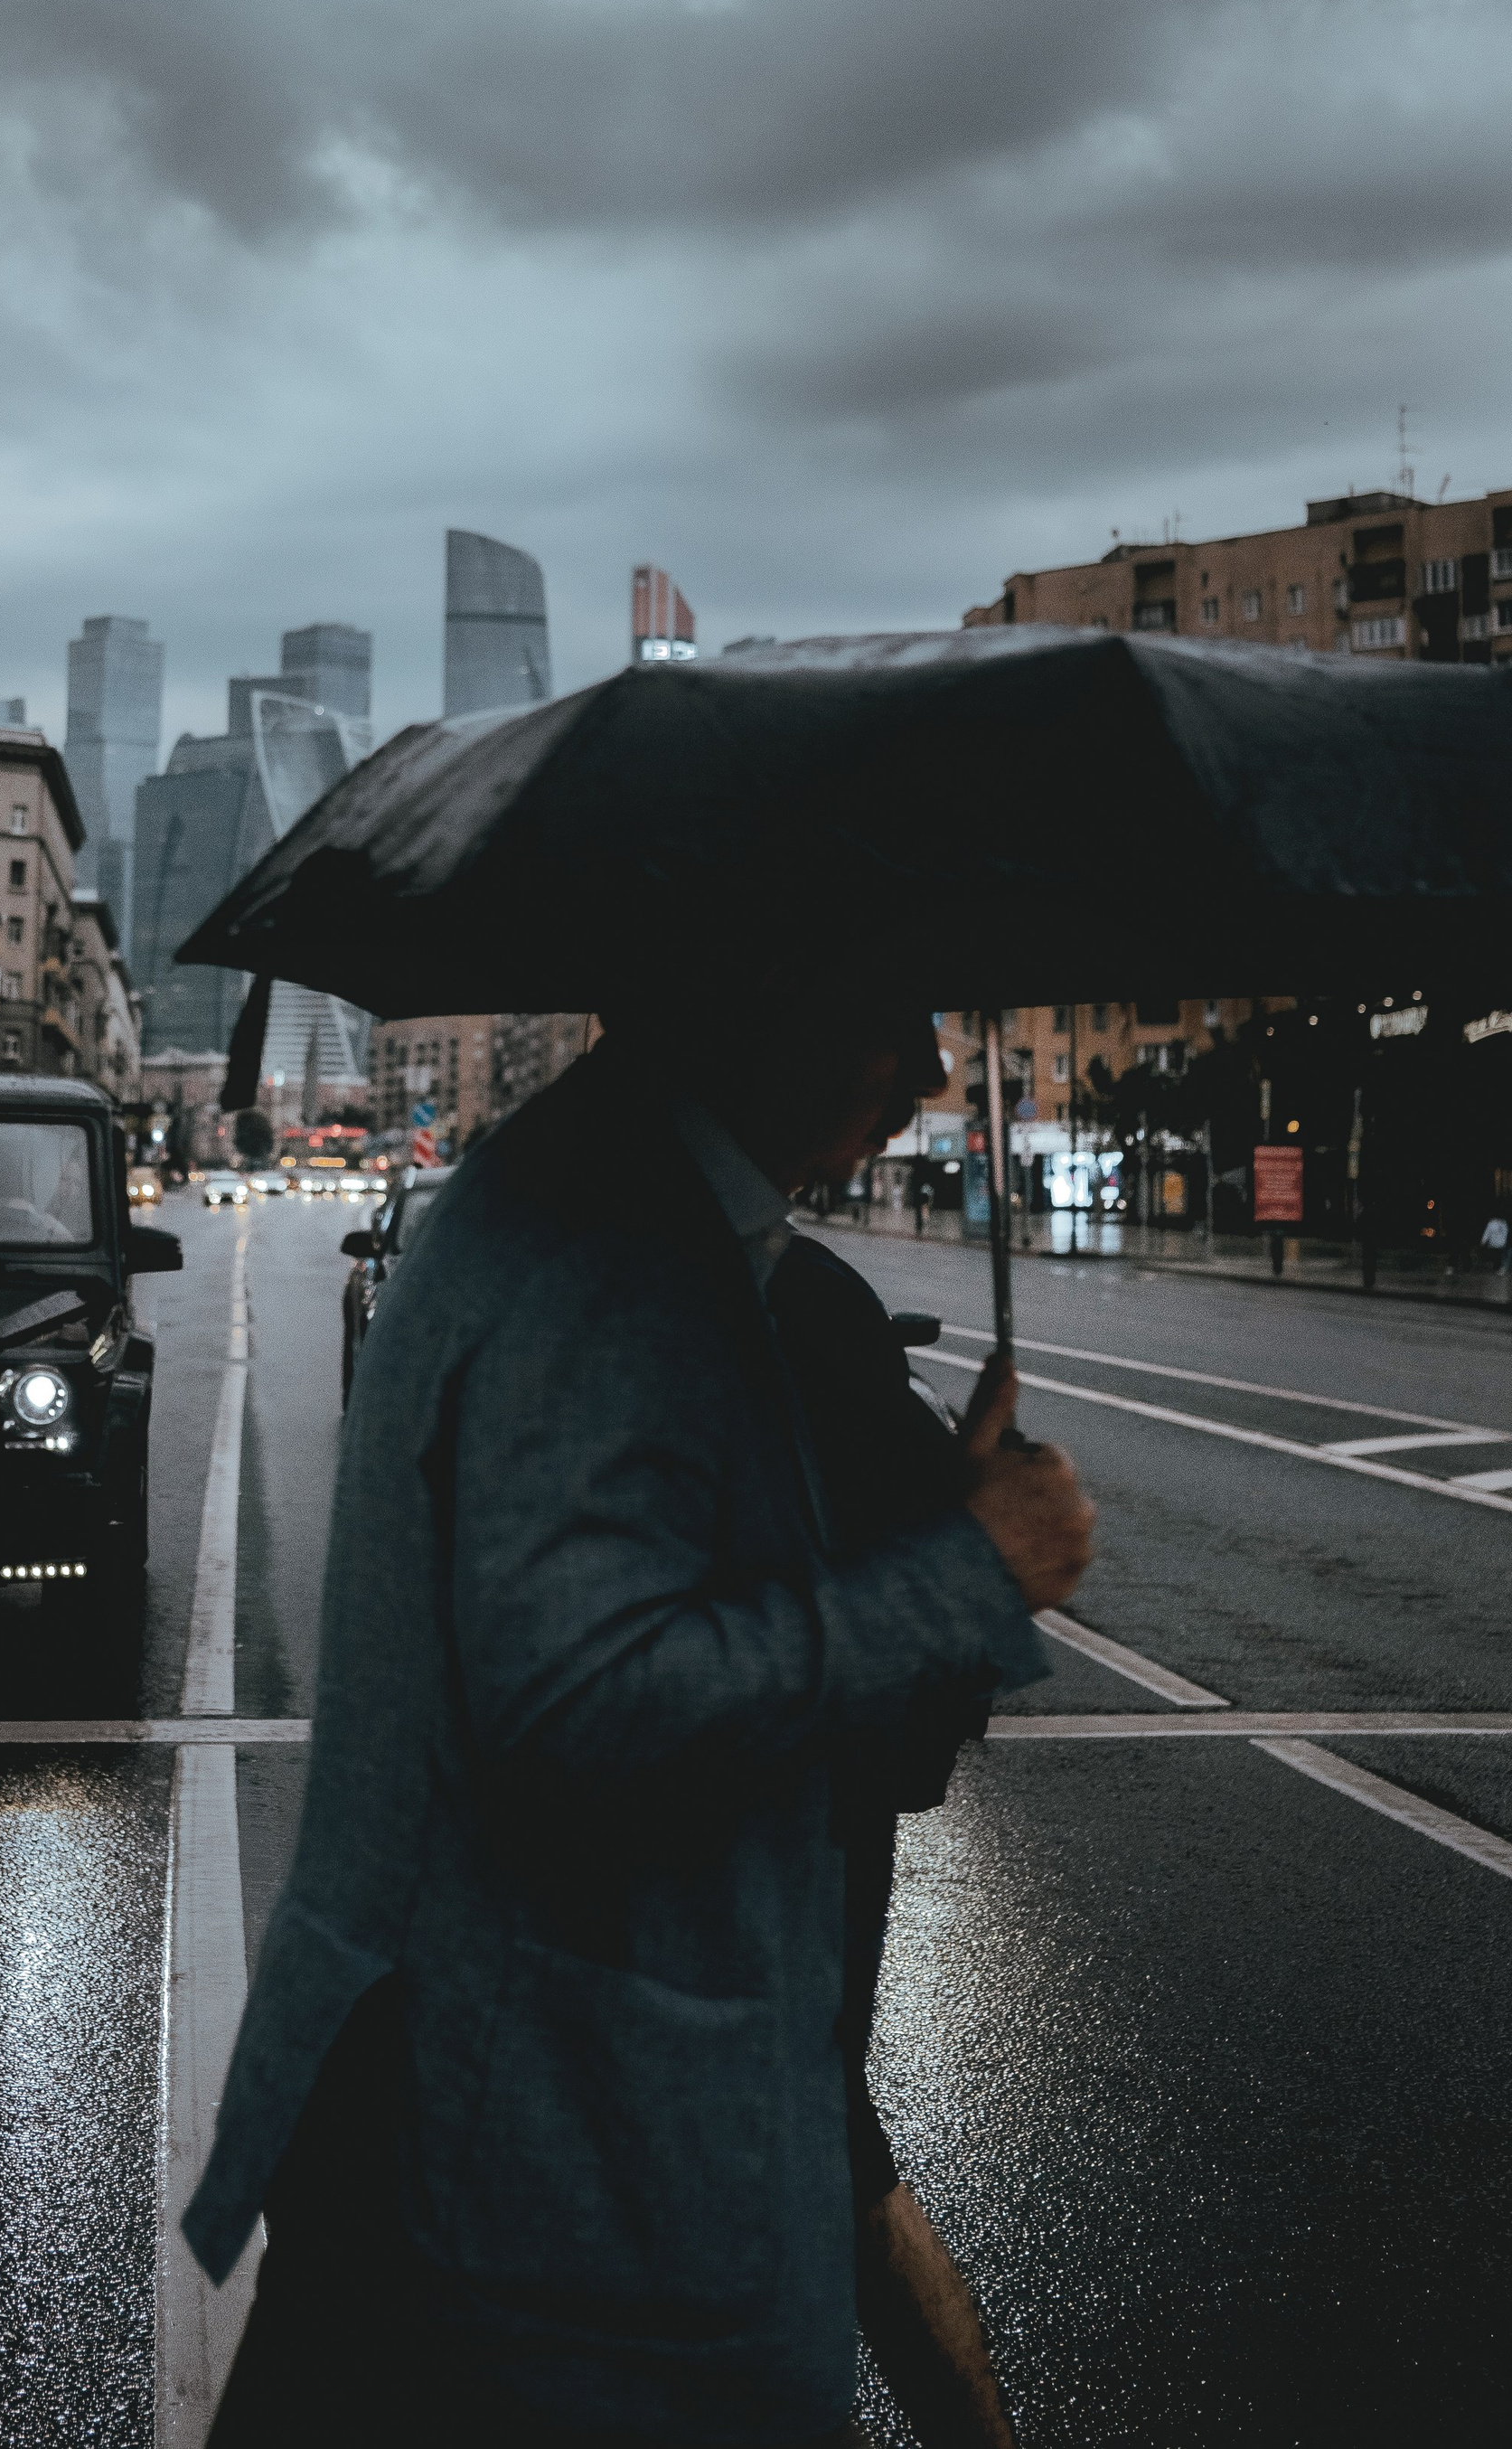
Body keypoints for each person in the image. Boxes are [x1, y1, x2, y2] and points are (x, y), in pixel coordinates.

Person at [193, 993, 1093, 2446]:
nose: (929, 1067)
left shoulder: (698, 1254)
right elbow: (581, 1706)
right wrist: (960, 1576)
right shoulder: (603, 1253)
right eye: (886, 1006)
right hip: (542, 2205)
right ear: (758, 979)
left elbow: (845, 1722)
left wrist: (925, 1556)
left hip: (563, 2159)